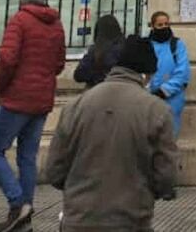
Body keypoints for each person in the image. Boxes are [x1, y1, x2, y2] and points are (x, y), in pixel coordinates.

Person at [45, 35, 179, 232]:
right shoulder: (157, 110)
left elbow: (55, 169)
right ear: (146, 73)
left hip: (78, 219)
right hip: (130, 219)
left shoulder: (76, 106)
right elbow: (166, 174)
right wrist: (158, 191)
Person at [0, 0, 66, 232]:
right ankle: (25, 217)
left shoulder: (19, 20)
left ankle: (18, 203)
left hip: (16, 99)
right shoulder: (57, 24)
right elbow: (59, 64)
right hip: (41, 102)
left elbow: (7, 58)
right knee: (27, 158)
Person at [148, 11, 191, 136]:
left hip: (173, 100)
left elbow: (182, 73)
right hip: (149, 99)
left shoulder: (177, 45)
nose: (164, 27)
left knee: (169, 139)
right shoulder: (146, 45)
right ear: (152, 26)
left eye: (166, 24)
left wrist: (164, 91)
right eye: (160, 25)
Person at [73, 14, 124, 88]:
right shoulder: (125, 49)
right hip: (121, 90)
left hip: (96, 91)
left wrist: (95, 76)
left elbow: (79, 75)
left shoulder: (95, 50)